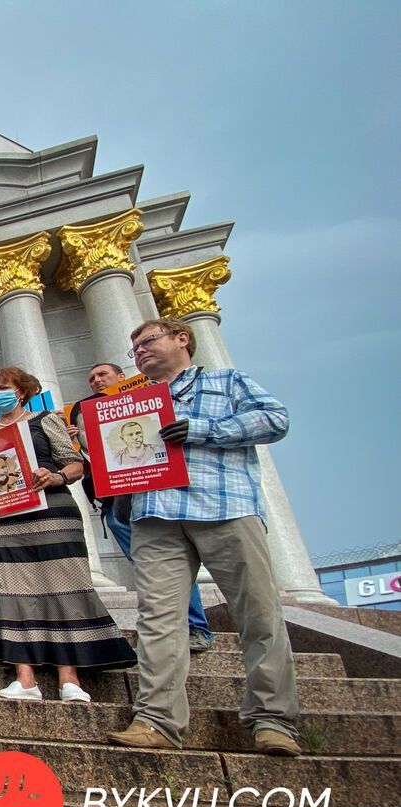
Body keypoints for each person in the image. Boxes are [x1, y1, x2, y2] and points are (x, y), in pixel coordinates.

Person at [107, 319, 301, 756]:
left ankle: (273, 719)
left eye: (148, 341)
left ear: (181, 339)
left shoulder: (226, 382)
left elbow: (275, 419)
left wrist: (204, 429)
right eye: (134, 347)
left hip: (225, 507)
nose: (139, 351)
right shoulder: (134, 402)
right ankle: (156, 719)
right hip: (156, 516)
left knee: (257, 612)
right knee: (157, 618)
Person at [0, 367, 136, 701]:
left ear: (22, 391)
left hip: (49, 513)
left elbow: (74, 464)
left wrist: (55, 476)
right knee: (9, 593)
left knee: (62, 589)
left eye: (5, 387)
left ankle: (69, 676)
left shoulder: (45, 420)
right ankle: (24, 678)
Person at [71, 361, 214, 654]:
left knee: (171, 564)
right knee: (149, 567)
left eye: (102, 375)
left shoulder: (147, 402)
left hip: (154, 495)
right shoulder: (87, 412)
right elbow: (97, 457)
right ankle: (172, 625)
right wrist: (76, 442)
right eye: (92, 377)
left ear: (121, 378)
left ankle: (195, 626)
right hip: (115, 503)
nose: (96, 381)